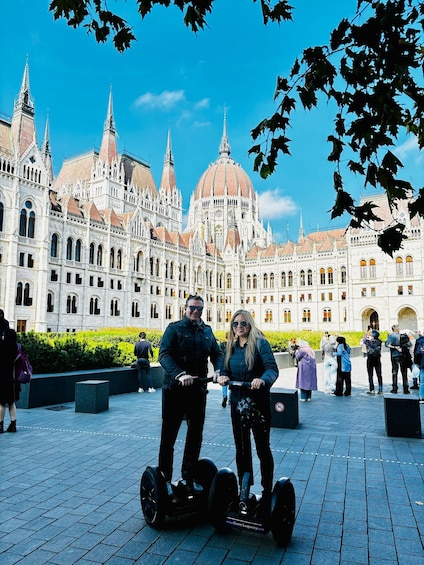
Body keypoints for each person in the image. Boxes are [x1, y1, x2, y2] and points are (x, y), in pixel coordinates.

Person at [158, 294, 223, 494]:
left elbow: (217, 353)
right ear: (185, 308)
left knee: (195, 437)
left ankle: (188, 478)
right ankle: (165, 480)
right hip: (175, 391)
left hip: (198, 391)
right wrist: (179, 374)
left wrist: (219, 370)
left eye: (199, 309)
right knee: (168, 437)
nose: (195, 312)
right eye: (192, 308)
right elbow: (164, 354)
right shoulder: (174, 328)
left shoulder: (207, 331)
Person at [217, 310, 278, 507]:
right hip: (237, 404)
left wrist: (263, 379)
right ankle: (245, 490)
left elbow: (272, 368)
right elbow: (224, 368)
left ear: (249, 324)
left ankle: (267, 489)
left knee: (262, 448)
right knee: (241, 449)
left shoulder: (260, 343)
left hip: (258, 404)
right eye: (235, 324)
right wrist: (222, 376)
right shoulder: (230, 347)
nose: (239, 327)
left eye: (243, 323)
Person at [0, 328, 19, 433]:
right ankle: (13, 425)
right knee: (12, 402)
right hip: (13, 378)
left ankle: (0, 425)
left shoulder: (1, 346)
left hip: (2, 377)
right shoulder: (17, 347)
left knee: (1, 403)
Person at [385, 325, 410, 394]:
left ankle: (394, 388)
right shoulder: (402, 336)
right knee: (404, 372)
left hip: (394, 355)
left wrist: (395, 347)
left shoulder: (391, 336)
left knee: (395, 372)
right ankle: (406, 389)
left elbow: (387, 344)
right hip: (403, 355)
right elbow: (408, 345)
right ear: (397, 329)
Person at [363, 330, 383, 394]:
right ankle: (380, 389)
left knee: (370, 375)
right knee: (379, 374)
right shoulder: (379, 341)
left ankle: (372, 389)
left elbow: (364, 340)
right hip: (377, 359)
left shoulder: (368, 342)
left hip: (370, 359)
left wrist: (366, 334)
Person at [413, 330, 424, 403]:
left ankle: (421, 397)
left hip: (423, 363)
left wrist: (417, 362)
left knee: (422, 381)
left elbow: (417, 353)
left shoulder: (419, 341)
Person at [219, 332, 230, 407]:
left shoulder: (222, 345)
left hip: (224, 365)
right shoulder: (234, 345)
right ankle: (230, 398)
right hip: (231, 365)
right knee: (232, 382)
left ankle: (224, 395)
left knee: (224, 382)